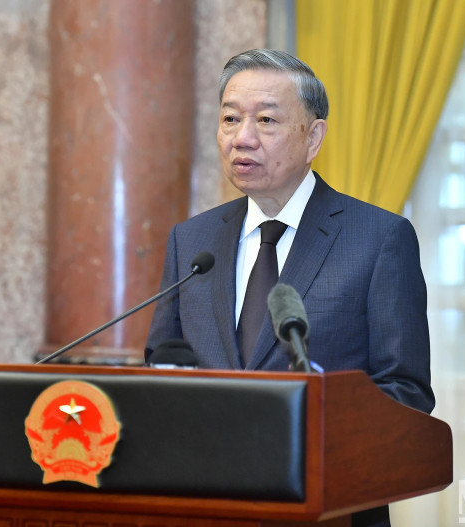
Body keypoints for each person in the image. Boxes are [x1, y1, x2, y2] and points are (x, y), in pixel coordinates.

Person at [145, 49, 433, 526]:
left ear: (313, 136)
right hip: (203, 508)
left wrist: (309, 437)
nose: (243, 138)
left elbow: (405, 391)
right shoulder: (192, 242)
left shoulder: (379, 239)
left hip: (327, 507)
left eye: (266, 120)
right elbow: (161, 365)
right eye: (231, 119)